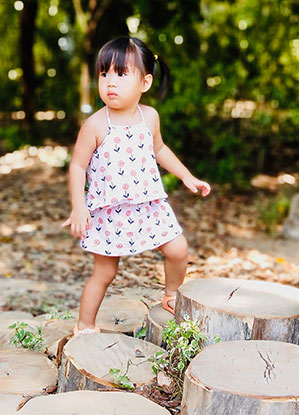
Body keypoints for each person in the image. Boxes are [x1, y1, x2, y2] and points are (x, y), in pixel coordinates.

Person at [61, 37, 211, 336]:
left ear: (145, 82)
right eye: (104, 74)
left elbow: (160, 149)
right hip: (110, 210)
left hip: (148, 204)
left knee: (178, 249)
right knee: (105, 272)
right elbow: (77, 166)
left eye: (121, 73)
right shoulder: (95, 124)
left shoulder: (150, 116)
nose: (110, 82)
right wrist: (80, 207)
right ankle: (85, 325)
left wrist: (186, 176)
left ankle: (171, 294)